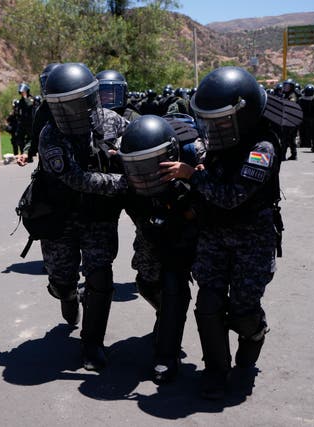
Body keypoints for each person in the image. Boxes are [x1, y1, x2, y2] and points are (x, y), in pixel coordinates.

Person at [159, 66, 282, 399]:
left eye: (221, 120)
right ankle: (215, 372)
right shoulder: (218, 145)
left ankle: (254, 333)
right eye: (209, 120)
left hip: (251, 239)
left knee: (242, 312)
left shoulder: (262, 148)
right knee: (208, 302)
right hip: (214, 234)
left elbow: (232, 197)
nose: (213, 127)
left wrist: (192, 176)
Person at [38, 63, 128, 370]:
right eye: (61, 106)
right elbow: (76, 178)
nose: (69, 112)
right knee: (61, 282)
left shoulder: (115, 123)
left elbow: (137, 148)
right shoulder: (49, 134)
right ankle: (68, 296)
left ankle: (92, 345)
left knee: (100, 277)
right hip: (59, 217)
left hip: (98, 218)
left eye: (75, 103)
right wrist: (120, 184)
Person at [119, 114, 199, 383]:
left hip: (186, 235)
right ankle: (166, 314)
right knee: (146, 282)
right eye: (136, 166)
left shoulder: (192, 161)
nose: (143, 172)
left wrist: (192, 182)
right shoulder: (130, 182)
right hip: (151, 233)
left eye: (149, 164)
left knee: (174, 286)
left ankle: (167, 355)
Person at [279, 78, 298, 160]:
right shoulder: (284, 95)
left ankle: (283, 155)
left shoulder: (292, 96)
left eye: (288, 86)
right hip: (285, 119)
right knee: (289, 139)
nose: (286, 88)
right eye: (285, 86)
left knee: (286, 139)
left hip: (291, 120)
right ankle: (293, 154)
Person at [14, 82, 34, 155]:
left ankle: (30, 154)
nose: (22, 93)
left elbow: (29, 105)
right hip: (23, 123)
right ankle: (23, 153)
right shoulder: (21, 101)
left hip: (30, 123)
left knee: (30, 139)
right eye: (21, 92)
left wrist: (25, 97)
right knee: (19, 138)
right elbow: (19, 111)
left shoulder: (31, 99)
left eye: (23, 92)